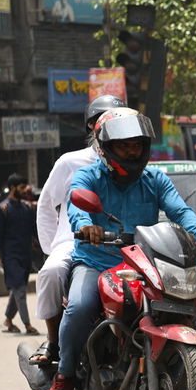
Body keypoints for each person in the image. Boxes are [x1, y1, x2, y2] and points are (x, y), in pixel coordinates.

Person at [47, 108, 196, 390]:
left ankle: (178, 380)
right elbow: (78, 203)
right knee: (78, 307)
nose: (132, 150)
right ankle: (64, 375)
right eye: (124, 145)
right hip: (96, 261)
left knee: (188, 311)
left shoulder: (155, 179)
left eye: (137, 144)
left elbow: (179, 211)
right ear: (106, 147)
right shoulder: (88, 175)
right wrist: (85, 226)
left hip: (143, 264)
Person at [33, 95, 126, 366]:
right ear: (91, 127)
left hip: (123, 243)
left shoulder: (136, 164)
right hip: (75, 242)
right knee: (51, 272)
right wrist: (53, 247)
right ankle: (53, 342)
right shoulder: (71, 162)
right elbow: (46, 205)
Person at [0, 174, 39, 335]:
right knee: (19, 289)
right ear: (12, 188)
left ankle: (8, 319)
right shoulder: (2, 209)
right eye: (21, 187)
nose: (25, 190)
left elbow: (34, 231)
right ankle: (27, 325)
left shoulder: (26, 208)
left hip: (26, 255)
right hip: (10, 256)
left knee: (18, 288)